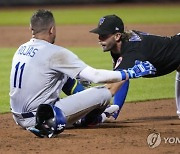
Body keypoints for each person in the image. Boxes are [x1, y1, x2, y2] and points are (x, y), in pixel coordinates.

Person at [9, 9, 156, 138]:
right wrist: (129, 72)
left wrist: (76, 77)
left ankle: (84, 116)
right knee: (103, 94)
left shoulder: (21, 49)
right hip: (42, 117)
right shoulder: (56, 52)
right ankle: (92, 118)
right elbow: (96, 76)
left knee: (64, 77)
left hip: (17, 117)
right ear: (52, 29)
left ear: (31, 28)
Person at [90, 14, 180, 119]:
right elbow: (121, 78)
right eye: (99, 34)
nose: (99, 39)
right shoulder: (118, 47)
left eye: (104, 35)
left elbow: (111, 87)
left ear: (117, 36)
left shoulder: (131, 52)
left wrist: (87, 105)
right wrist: (115, 112)